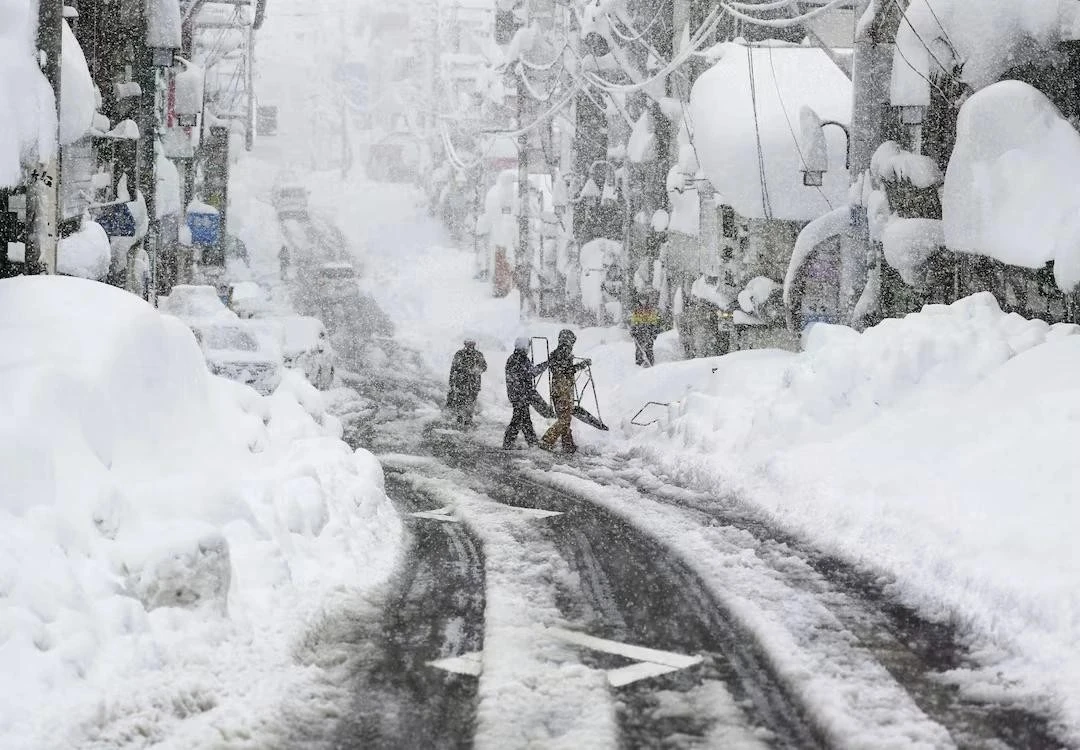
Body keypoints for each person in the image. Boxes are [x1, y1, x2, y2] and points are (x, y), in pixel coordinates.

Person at [540, 329, 590, 454]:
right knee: (565, 419)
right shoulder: (563, 353)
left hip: (557, 389)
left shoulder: (555, 353)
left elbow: (561, 369)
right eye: (571, 342)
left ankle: (568, 445)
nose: (572, 346)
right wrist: (582, 365)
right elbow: (567, 370)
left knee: (564, 418)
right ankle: (546, 440)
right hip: (563, 390)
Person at [503, 337, 548, 449]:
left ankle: (526, 442)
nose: (528, 349)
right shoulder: (518, 360)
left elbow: (529, 372)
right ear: (523, 347)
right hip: (520, 395)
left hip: (519, 394)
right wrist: (546, 364)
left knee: (521, 419)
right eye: (527, 347)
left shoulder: (518, 358)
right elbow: (532, 372)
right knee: (520, 419)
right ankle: (523, 443)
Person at [446, 338, 487, 427]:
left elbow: (484, 367)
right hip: (462, 384)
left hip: (473, 385)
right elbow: (454, 369)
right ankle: (460, 420)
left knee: (470, 404)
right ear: (465, 344)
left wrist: (478, 369)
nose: (470, 346)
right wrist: (452, 383)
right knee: (461, 403)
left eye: (472, 344)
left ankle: (468, 421)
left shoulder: (478, 355)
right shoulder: (459, 354)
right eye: (468, 344)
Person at [629, 292, 661, 367]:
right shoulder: (637, 310)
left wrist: (654, 331)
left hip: (649, 330)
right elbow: (634, 320)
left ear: (647, 300)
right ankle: (639, 362)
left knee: (649, 347)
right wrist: (633, 329)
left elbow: (654, 320)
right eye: (641, 300)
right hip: (639, 331)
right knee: (639, 347)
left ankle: (650, 361)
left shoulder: (650, 309)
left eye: (644, 299)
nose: (643, 301)